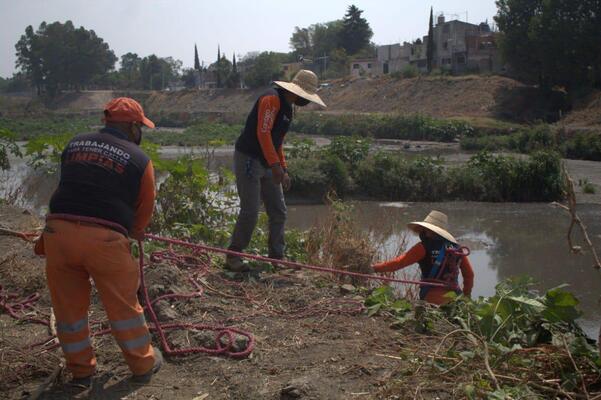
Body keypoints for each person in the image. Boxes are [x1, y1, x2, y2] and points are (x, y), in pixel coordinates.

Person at [34, 97, 162, 384]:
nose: (140, 132)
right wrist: (136, 232)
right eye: (140, 127)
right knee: (124, 307)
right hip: (103, 243)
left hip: (58, 235)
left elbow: (70, 183)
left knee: (68, 310)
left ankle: (81, 370)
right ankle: (143, 366)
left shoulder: (75, 143)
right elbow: (144, 208)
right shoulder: (140, 160)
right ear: (131, 127)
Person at [226, 70, 326, 271]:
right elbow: (263, 134)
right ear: (297, 91)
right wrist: (275, 166)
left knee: (278, 211)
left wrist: (283, 168)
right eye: (306, 96)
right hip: (250, 158)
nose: (306, 101)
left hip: (268, 162)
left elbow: (276, 141)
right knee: (250, 211)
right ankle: (233, 256)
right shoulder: (271, 99)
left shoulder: (288, 108)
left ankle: (276, 257)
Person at [371, 210, 474, 305]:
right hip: (455, 299)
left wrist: (373, 268)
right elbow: (469, 274)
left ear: (427, 230)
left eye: (424, 229)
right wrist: (466, 296)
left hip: (432, 299)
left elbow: (398, 263)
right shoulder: (457, 248)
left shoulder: (422, 247)